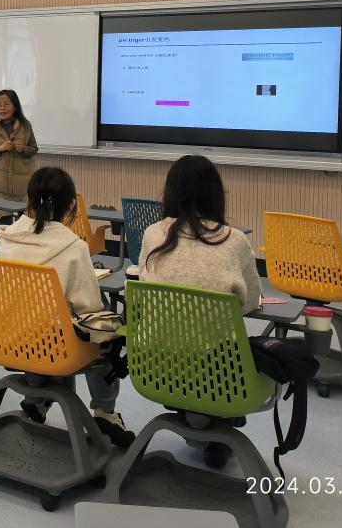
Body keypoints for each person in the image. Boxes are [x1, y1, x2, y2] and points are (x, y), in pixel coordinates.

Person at [0, 166, 134, 446]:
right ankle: (105, 412)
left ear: (29, 200)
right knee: (102, 334)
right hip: (53, 348)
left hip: (5, 339)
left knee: (50, 323)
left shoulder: (5, 237)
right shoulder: (73, 247)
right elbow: (89, 308)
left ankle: (39, 394)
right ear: (71, 206)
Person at [139, 154, 262, 468]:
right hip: (220, 376)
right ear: (215, 194)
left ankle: (194, 414)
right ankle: (219, 424)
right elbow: (251, 302)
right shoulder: (234, 240)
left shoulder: (153, 234)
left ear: (170, 192)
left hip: (156, 369)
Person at [0, 89, 38, 211]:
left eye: (6, 105)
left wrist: (23, 149)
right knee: (4, 221)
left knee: (22, 220)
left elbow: (34, 149)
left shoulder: (26, 126)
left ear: (15, 107)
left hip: (22, 185)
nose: (2, 109)